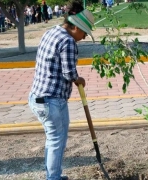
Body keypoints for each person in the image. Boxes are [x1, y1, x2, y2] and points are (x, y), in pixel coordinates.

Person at [28, 0, 95, 179]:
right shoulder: (68, 41)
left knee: (55, 138)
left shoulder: (52, 32)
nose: (84, 37)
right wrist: (78, 79)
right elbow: (69, 73)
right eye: (84, 33)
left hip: (38, 96)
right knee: (57, 140)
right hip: (51, 100)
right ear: (76, 27)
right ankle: (53, 178)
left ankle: (54, 175)